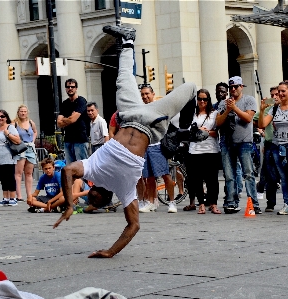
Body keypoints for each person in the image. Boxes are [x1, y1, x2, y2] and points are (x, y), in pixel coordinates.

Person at [53, 25, 198, 258]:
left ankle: (128, 41)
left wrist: (70, 204)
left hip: (130, 114)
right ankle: (183, 130)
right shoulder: (125, 190)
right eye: (94, 201)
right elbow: (134, 226)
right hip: (152, 123)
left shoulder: (91, 169)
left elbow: (68, 171)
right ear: (104, 200)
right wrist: (111, 251)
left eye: (88, 198)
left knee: (123, 79)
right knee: (191, 88)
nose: (91, 197)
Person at [258, 81, 288, 216]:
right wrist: (263, 109)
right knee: (283, 177)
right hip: (278, 146)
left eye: (283, 91)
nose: (280, 94)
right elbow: (262, 124)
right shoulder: (274, 109)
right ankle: (287, 204)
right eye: (278, 91)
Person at [216, 76, 261, 214]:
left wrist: (234, 107)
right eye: (231, 88)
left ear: (242, 86)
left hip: (244, 142)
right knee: (229, 175)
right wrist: (228, 110)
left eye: (236, 87)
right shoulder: (224, 103)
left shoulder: (249, 100)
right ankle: (231, 202)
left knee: (248, 174)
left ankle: (254, 203)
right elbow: (218, 122)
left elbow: (248, 118)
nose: (233, 90)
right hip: (227, 142)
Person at [139, 85, 178, 213]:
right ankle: (151, 202)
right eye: (143, 94)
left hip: (158, 146)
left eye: (147, 94)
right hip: (145, 147)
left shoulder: (159, 108)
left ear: (153, 94)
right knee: (148, 177)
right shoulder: (141, 109)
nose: (145, 96)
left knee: (166, 175)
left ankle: (172, 203)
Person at [184, 89, 221, 214]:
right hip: (195, 150)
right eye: (199, 99)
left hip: (211, 149)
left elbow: (218, 133)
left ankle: (213, 204)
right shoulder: (192, 114)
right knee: (197, 179)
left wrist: (206, 132)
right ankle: (201, 204)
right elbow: (188, 132)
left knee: (212, 179)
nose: (202, 101)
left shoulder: (214, 113)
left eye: (205, 99)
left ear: (209, 100)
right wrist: (197, 130)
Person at [253, 87, 279, 212]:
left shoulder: (287, 107)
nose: (274, 97)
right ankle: (271, 203)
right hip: (270, 142)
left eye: (276, 94)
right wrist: (261, 130)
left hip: (285, 143)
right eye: (272, 94)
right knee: (271, 176)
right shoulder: (269, 108)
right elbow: (256, 119)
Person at [0, 110, 21, 207]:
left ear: (6, 118)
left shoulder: (10, 127)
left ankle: (13, 198)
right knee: (3, 178)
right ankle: (5, 198)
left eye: (2, 116)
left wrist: (7, 134)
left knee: (10, 177)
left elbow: (18, 140)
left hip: (7, 156)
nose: (0, 118)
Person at [57, 79, 89, 163]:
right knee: (70, 168)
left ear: (76, 88)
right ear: (65, 89)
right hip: (68, 140)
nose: (70, 88)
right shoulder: (65, 103)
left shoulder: (81, 101)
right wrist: (69, 119)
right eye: (68, 87)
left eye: (72, 87)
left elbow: (72, 119)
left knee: (81, 167)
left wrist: (65, 119)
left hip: (80, 140)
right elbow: (59, 123)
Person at [13, 105, 38, 202]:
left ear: (27, 112)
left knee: (29, 173)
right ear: (18, 112)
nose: (23, 113)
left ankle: (29, 194)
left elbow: (35, 132)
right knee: (18, 173)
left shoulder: (31, 123)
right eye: (21, 111)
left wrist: (33, 140)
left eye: (25, 111)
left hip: (30, 148)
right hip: (20, 148)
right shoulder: (15, 123)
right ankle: (18, 195)